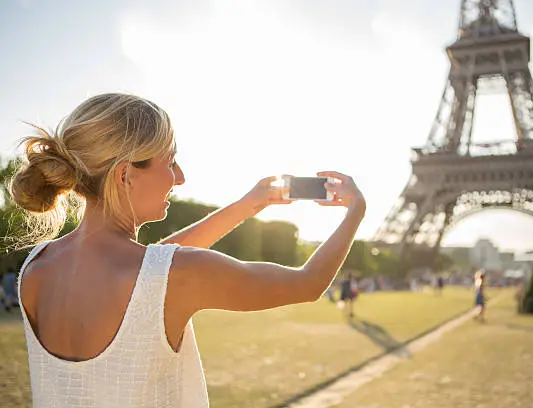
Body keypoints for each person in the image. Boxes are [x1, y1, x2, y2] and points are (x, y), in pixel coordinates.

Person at [10, 93, 366, 408]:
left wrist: (250, 204)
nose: (179, 177)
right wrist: (355, 211)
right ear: (125, 175)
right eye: (170, 161)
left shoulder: (35, 267)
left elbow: (151, 271)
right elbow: (308, 283)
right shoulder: (169, 274)